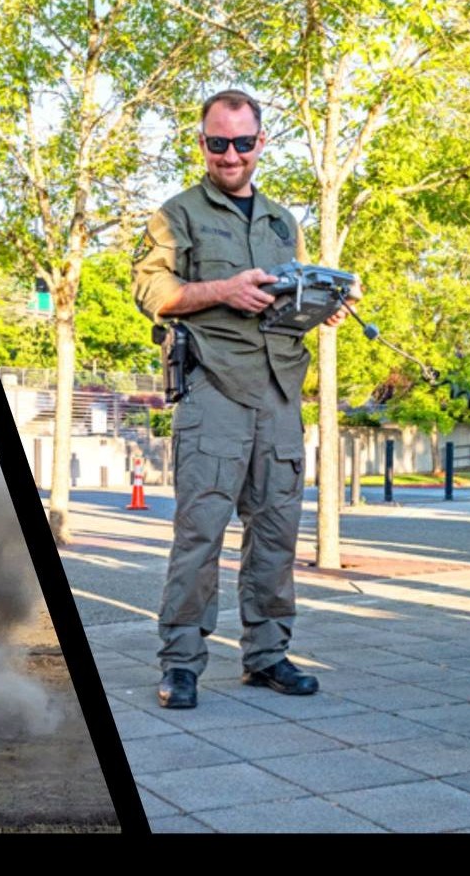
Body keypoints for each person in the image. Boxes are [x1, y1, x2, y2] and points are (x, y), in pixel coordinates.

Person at [132, 88, 345, 709]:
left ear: (261, 143)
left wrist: (320, 306)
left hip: (280, 392)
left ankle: (268, 655)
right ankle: (181, 663)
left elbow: (287, 304)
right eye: (218, 143)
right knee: (200, 533)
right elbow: (154, 293)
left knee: (277, 532)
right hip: (215, 389)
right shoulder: (177, 215)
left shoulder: (283, 222)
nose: (230, 155)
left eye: (242, 143)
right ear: (201, 144)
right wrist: (225, 288)